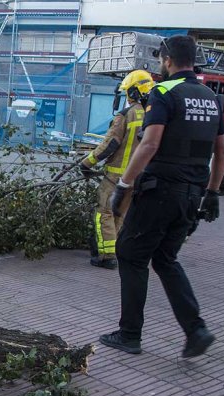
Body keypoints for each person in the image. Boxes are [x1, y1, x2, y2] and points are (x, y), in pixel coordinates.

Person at [99, 35, 224, 358]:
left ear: (168, 60)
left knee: (130, 253)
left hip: (160, 191)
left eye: (160, 59)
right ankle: (196, 330)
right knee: (166, 258)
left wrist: (124, 186)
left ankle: (129, 334)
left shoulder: (164, 92)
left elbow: (151, 143)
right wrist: (212, 193)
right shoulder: (211, 98)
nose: (160, 64)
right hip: (192, 195)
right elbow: (222, 150)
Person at [81, 70, 155, 270]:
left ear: (133, 91)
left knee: (103, 212)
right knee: (120, 214)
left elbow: (109, 145)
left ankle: (106, 256)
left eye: (128, 92)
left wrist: (86, 163)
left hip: (115, 175)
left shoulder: (126, 115)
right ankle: (117, 251)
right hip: (137, 177)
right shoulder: (153, 115)